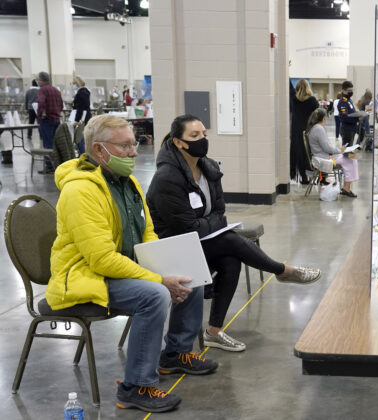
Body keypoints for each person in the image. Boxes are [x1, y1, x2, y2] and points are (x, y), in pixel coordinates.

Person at [46, 114, 217, 413]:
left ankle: (175, 354)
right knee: (154, 295)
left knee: (190, 274)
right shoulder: (80, 191)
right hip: (87, 275)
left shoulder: (128, 182)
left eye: (133, 144)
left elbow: (146, 231)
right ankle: (135, 387)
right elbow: (101, 260)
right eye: (125, 146)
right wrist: (158, 279)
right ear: (99, 150)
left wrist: (164, 266)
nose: (134, 152)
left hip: (119, 267)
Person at [146, 114, 322, 353]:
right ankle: (282, 271)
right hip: (175, 248)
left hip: (202, 241)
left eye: (204, 135)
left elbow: (220, 212)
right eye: (194, 136)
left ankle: (214, 332)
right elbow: (186, 228)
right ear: (178, 142)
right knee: (229, 240)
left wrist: (209, 223)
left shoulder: (208, 168)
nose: (202, 140)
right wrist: (212, 223)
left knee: (231, 259)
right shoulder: (167, 178)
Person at [306, 108, 360, 197]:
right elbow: (327, 148)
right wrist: (340, 150)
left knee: (350, 158)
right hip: (324, 158)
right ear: (324, 118)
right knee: (351, 160)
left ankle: (346, 188)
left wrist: (339, 150)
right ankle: (346, 188)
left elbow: (326, 146)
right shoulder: (319, 129)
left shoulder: (314, 128)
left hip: (322, 156)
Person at [290, 79, 319, 184]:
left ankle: (303, 176)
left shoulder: (293, 99)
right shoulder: (312, 100)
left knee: (298, 153)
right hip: (309, 130)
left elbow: (289, 88)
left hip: (295, 130)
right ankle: (315, 175)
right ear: (308, 87)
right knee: (310, 153)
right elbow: (317, 115)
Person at [36, 71, 63, 174]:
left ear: (42, 80)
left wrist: (39, 115)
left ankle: (49, 166)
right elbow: (61, 104)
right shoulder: (55, 89)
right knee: (56, 143)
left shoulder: (43, 90)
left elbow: (41, 103)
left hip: (47, 120)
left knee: (47, 144)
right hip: (56, 120)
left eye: (38, 79)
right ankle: (57, 164)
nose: (38, 81)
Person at [337, 81, 360, 148]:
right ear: (343, 90)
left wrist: (358, 114)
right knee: (347, 150)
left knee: (350, 149)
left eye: (351, 90)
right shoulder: (343, 102)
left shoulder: (349, 100)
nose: (351, 92)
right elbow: (345, 117)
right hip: (347, 130)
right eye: (349, 90)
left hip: (352, 128)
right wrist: (357, 118)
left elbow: (351, 112)